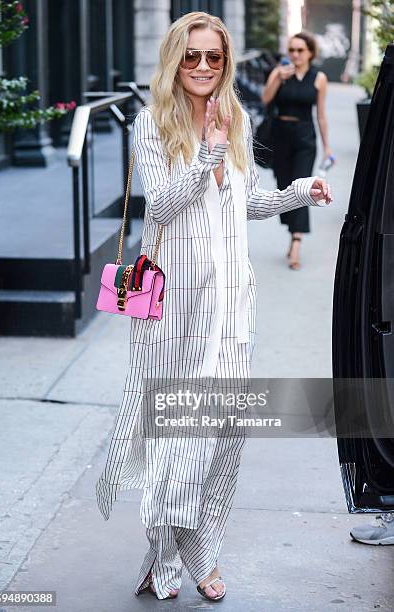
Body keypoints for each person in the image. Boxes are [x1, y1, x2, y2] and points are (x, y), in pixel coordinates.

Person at [95, 11, 332, 602]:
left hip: (230, 305)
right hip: (171, 306)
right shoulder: (152, 124)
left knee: (220, 434)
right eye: (192, 56)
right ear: (175, 60)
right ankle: (171, 557)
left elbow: (246, 203)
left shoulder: (239, 121)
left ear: (225, 64)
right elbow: (161, 210)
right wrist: (205, 155)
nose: (203, 67)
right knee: (176, 436)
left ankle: (198, 553)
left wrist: (297, 193)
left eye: (214, 58)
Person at [262, 31, 332, 270]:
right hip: (280, 135)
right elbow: (265, 99)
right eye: (291, 50)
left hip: (305, 137)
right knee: (284, 187)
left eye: (300, 50)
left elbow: (321, 115)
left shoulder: (318, 77)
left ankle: (296, 241)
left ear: (310, 53)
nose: (295, 54)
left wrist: (327, 147)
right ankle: (293, 228)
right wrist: (277, 78)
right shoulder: (280, 72)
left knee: (302, 186)